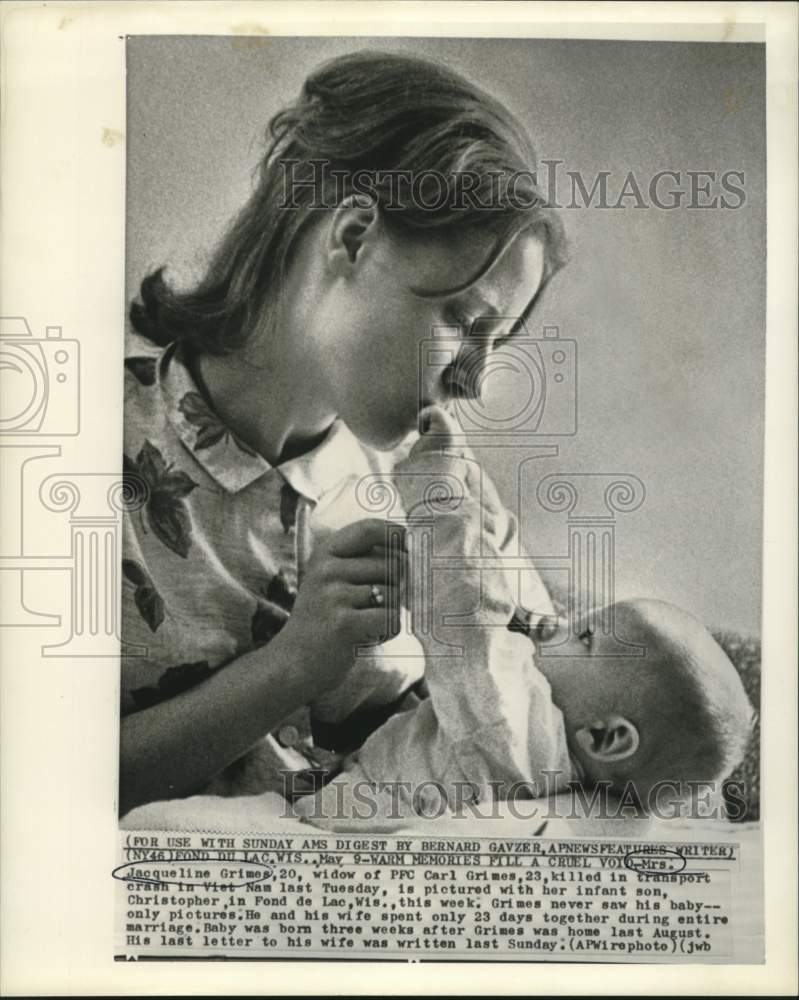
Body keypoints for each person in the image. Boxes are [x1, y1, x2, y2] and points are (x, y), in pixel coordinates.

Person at [119, 50, 567, 816]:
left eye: (499, 343)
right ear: (355, 235)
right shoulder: (74, 448)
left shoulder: (448, 503)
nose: (475, 379)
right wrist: (293, 666)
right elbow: (32, 783)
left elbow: (556, 735)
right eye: (463, 321)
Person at [295, 407, 756, 826]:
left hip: (339, 823)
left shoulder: (514, 729)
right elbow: (497, 591)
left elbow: (466, 616)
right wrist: (475, 494)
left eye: (584, 636)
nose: (557, 624)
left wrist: (440, 491)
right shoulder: (543, 759)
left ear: (604, 736)